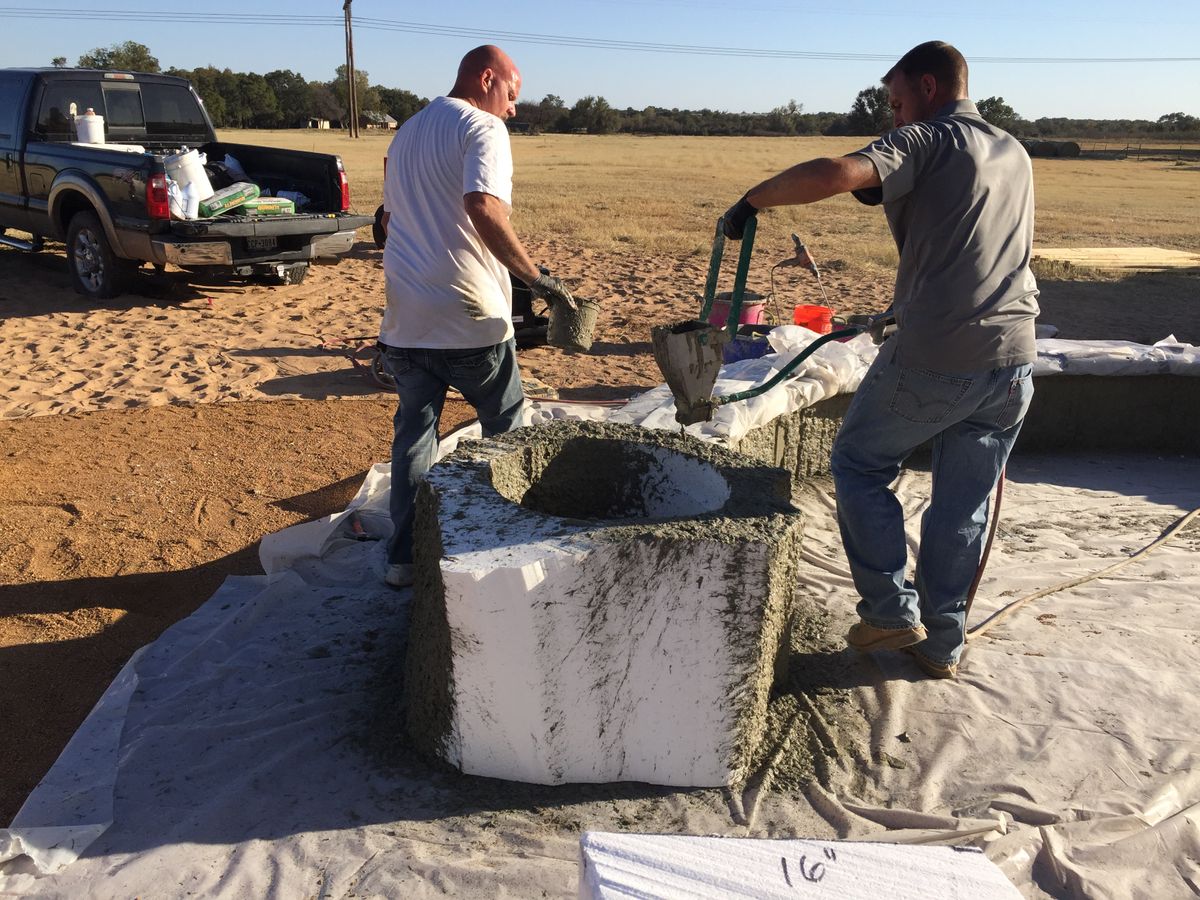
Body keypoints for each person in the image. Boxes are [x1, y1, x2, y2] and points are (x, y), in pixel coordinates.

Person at [722, 41, 1038, 679]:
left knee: (859, 462)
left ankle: (891, 612)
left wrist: (753, 201)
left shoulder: (930, 138)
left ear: (927, 86)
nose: (893, 117)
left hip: (937, 356)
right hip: (1013, 363)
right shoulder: (1012, 149)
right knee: (961, 506)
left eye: (895, 103)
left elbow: (839, 172)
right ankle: (942, 644)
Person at [378, 44, 576, 588]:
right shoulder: (484, 129)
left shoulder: (409, 130)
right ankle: (506, 554)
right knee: (508, 431)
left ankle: (404, 560)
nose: (514, 108)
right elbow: (483, 207)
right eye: (512, 94)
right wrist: (538, 280)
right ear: (488, 79)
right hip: (470, 318)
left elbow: (390, 222)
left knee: (414, 438)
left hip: (405, 318)